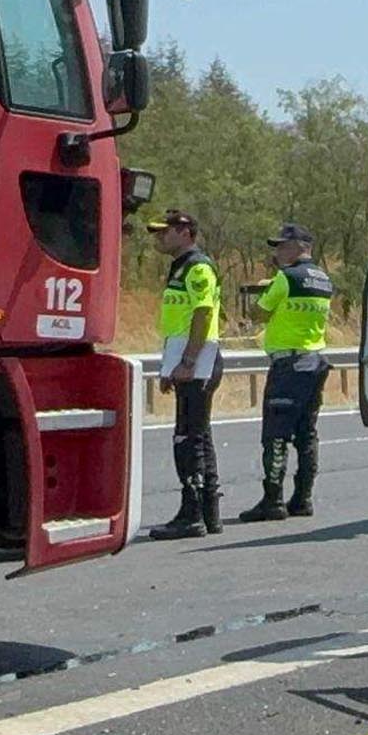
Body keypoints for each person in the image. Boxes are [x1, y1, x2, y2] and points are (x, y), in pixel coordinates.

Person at [238, 222, 334, 522]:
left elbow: (258, 313)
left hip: (289, 364)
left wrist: (266, 290)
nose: (277, 252)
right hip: (315, 361)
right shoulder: (323, 279)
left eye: (282, 246)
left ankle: (273, 499)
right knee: (306, 434)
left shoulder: (285, 278)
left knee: (276, 435)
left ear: (300, 247)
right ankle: (303, 497)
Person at [146, 209, 223, 540]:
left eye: (166, 231)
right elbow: (178, 321)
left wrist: (188, 361)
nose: (160, 237)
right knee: (198, 435)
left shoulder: (197, 266)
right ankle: (208, 513)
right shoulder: (179, 266)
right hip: (185, 359)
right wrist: (170, 366)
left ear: (186, 232)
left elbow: (203, 314)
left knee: (187, 438)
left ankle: (192, 515)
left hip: (199, 361)